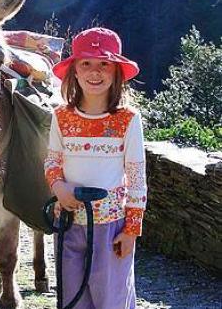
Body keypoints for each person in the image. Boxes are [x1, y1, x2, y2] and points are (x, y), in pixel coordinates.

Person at [44, 27, 147, 309]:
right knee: (72, 298)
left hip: (111, 228)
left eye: (104, 64)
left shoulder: (128, 120)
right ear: (74, 70)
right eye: (86, 63)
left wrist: (131, 230)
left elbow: (137, 177)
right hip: (69, 223)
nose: (95, 71)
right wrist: (59, 187)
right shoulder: (61, 117)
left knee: (110, 298)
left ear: (116, 72)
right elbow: (52, 161)